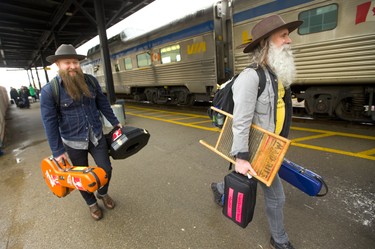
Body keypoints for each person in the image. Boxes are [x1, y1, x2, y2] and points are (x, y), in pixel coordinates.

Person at [211, 15, 303, 249]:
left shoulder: (276, 75)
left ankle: (220, 188)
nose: (289, 40)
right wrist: (241, 157)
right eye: (283, 35)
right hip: (256, 148)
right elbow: (240, 121)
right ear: (265, 43)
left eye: (287, 35)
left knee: (244, 177)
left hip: (271, 144)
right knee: (276, 196)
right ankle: (279, 239)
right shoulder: (251, 77)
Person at [40, 44, 122, 221]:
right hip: (73, 142)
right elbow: (50, 123)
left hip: (96, 136)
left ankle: (102, 193)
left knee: (106, 169)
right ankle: (92, 204)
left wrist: (116, 123)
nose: (72, 66)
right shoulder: (49, 91)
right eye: (67, 62)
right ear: (58, 65)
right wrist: (58, 151)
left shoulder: (90, 81)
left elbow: (103, 104)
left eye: (75, 62)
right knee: (81, 178)